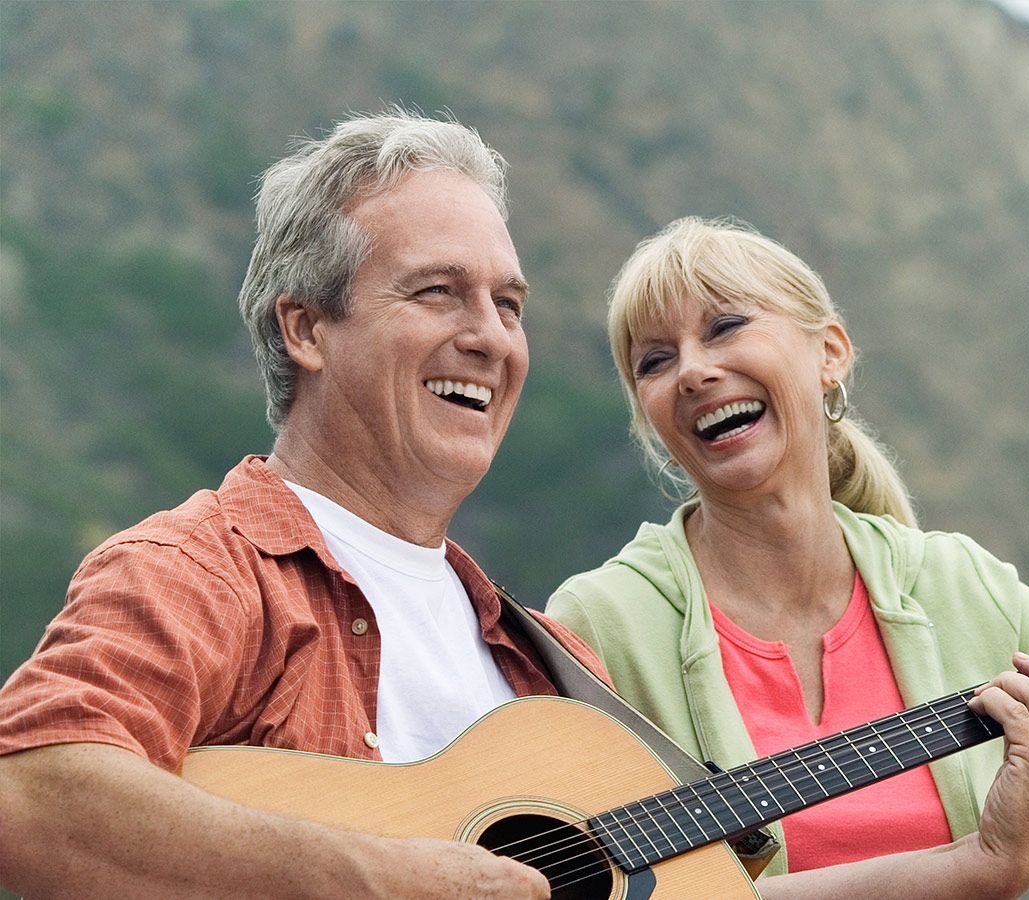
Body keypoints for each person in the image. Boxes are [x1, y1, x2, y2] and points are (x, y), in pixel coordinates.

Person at [0, 110, 606, 898]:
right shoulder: (201, 572)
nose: (491, 337)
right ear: (306, 328)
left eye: (510, 304)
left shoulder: (559, 662)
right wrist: (376, 877)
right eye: (438, 292)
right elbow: (29, 791)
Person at [547, 216, 1029, 898]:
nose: (694, 370)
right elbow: (570, 884)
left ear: (831, 354)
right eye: (655, 361)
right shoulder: (599, 624)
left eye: (725, 326)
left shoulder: (959, 585)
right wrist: (989, 865)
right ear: (650, 418)